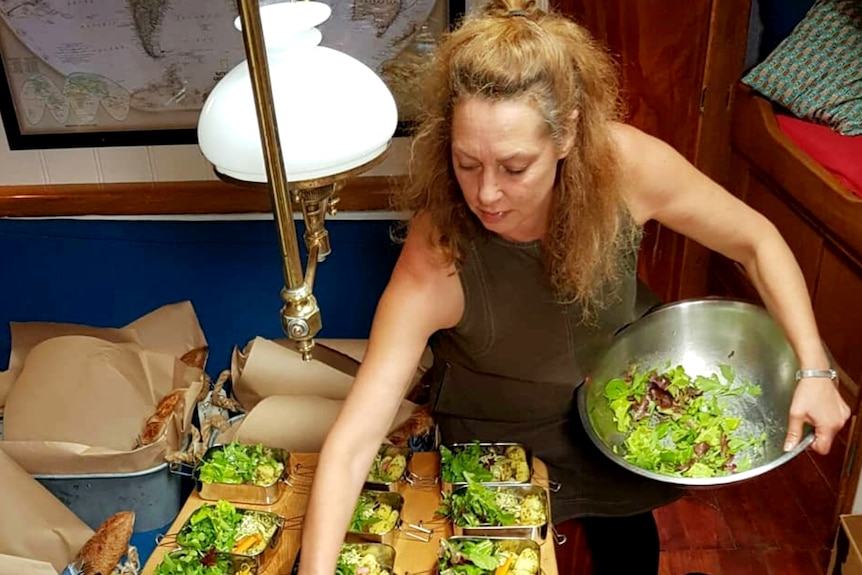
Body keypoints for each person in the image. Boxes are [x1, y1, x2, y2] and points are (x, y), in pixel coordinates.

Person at [296, 0, 851, 573]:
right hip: (500, 446)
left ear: (568, 138)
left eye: (515, 168)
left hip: (618, 423)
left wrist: (814, 369)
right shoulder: (438, 254)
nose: (487, 194)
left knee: (627, 552)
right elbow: (355, 439)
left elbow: (756, 241)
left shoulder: (629, 166)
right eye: (467, 163)